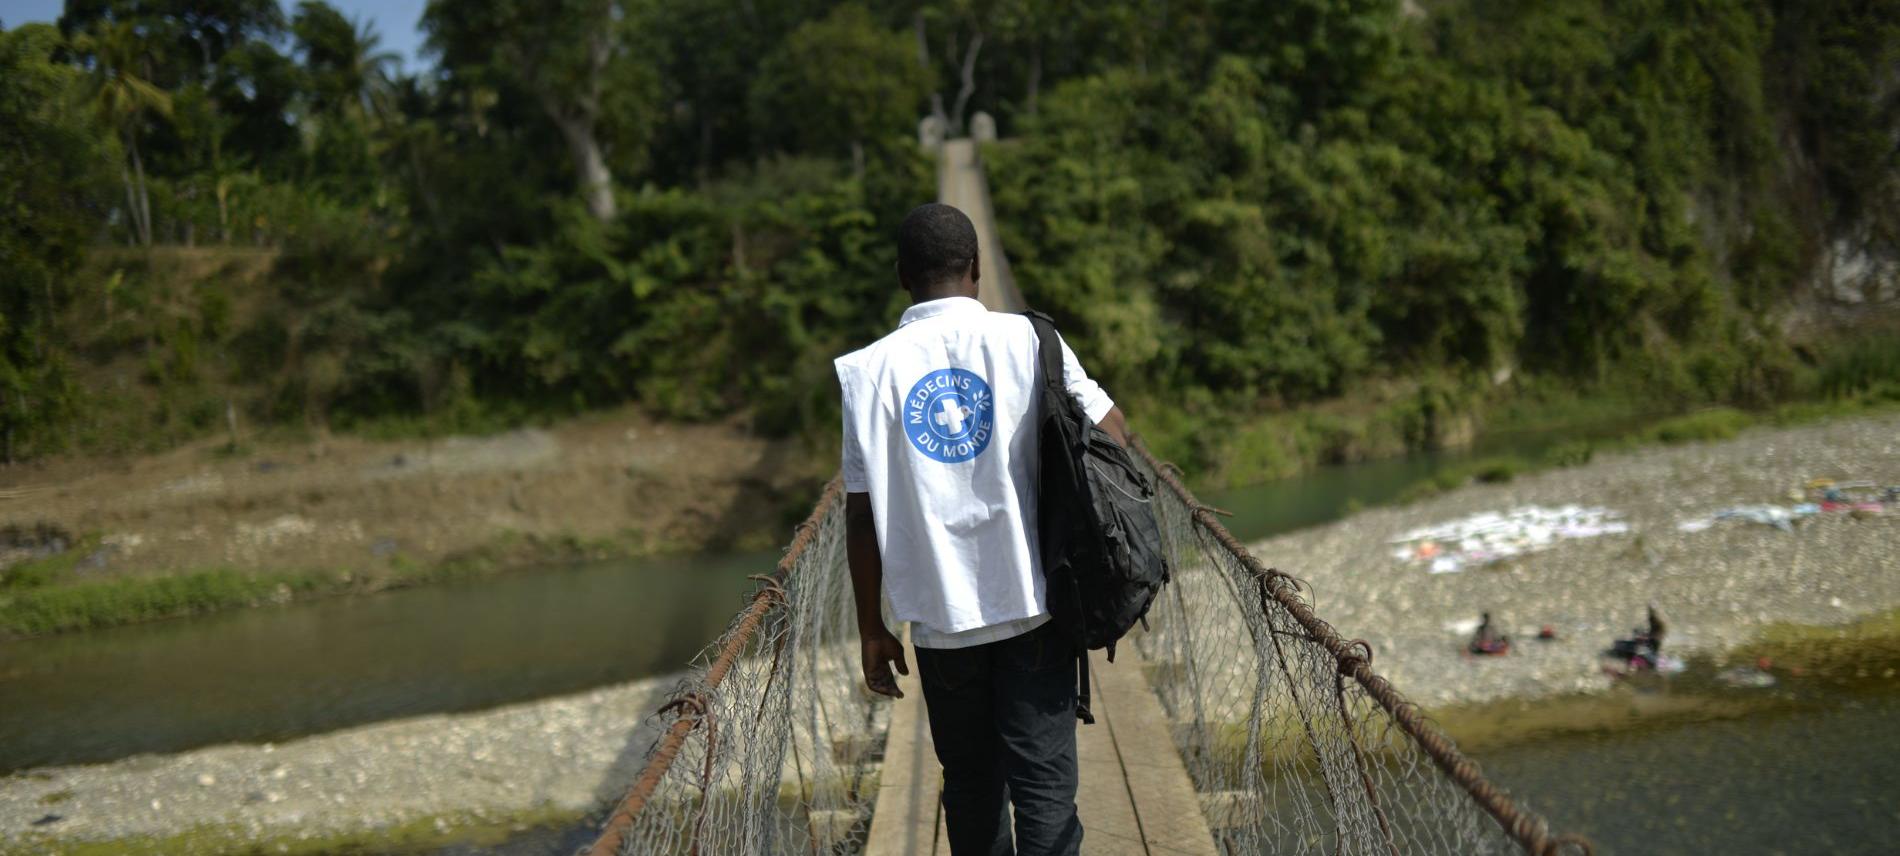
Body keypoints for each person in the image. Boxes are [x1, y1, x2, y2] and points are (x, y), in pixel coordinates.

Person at [836, 203, 1129, 856]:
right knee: (1046, 792)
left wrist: (870, 629)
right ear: (976, 269)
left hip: (941, 624)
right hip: (1036, 606)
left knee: (970, 792)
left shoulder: (865, 372)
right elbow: (1116, 434)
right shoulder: (1032, 341)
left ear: (900, 276)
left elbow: (860, 513)